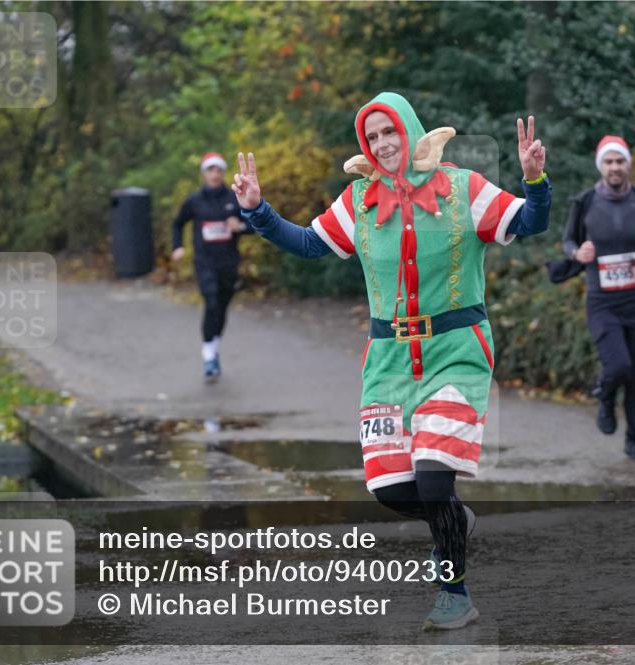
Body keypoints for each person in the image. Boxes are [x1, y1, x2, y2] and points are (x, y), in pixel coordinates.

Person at [233, 92, 550, 630]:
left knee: (432, 479)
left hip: (456, 352)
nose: (382, 145)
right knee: (389, 488)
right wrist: (257, 212)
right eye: (372, 137)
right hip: (388, 360)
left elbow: (531, 222)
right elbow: (311, 244)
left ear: (409, 131)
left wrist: (534, 180)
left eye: (390, 133)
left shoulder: (462, 189)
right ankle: (453, 520)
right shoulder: (358, 200)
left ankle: (454, 591)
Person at [560, 135, 635, 460]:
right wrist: (578, 252)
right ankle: (605, 395)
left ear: (628, 164)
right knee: (618, 365)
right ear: (601, 166)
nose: (615, 167)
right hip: (602, 302)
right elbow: (567, 241)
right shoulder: (584, 202)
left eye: (620, 161)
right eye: (609, 162)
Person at [171, 152, 255, 382]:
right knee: (211, 301)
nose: (215, 174)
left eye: (218, 170)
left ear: (223, 172)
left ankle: (213, 348)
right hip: (204, 262)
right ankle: (208, 355)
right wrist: (177, 247)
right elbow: (178, 224)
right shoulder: (194, 201)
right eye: (211, 170)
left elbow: (254, 224)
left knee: (222, 306)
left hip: (228, 262)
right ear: (204, 173)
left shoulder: (233, 198)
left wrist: (241, 227)